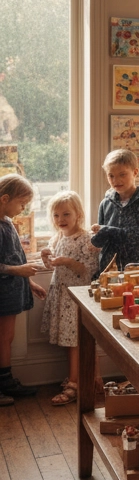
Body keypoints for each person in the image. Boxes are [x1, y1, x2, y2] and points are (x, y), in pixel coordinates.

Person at [40, 192, 100, 405]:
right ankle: (90, 378)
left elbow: (89, 270)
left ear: (78, 215)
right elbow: (51, 266)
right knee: (69, 340)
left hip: (76, 297)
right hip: (62, 295)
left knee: (76, 342)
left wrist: (68, 261)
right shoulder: (57, 238)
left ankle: (75, 383)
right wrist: (47, 256)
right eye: (56, 216)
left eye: (66, 214)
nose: (61, 220)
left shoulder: (85, 239)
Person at [0, 174, 46, 406]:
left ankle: (6, 381)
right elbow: (9, 265)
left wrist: (29, 283)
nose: (23, 209)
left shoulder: (8, 223)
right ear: (5, 199)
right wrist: (19, 272)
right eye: (21, 204)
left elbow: (17, 257)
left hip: (11, 294)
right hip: (2, 293)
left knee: (6, 338)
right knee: (2, 338)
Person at [91, 148, 139, 273]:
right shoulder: (105, 203)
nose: (116, 180)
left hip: (136, 269)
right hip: (109, 270)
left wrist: (110, 231)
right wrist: (96, 234)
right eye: (111, 176)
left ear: (135, 172)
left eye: (122, 174)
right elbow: (100, 244)